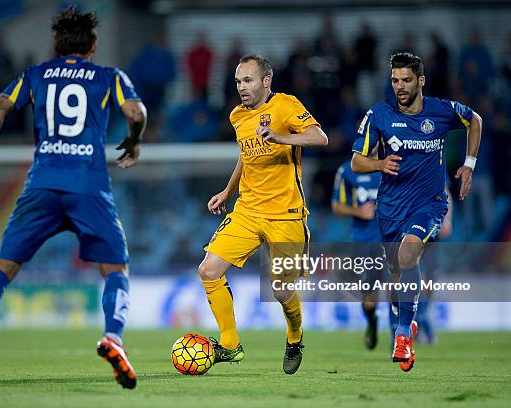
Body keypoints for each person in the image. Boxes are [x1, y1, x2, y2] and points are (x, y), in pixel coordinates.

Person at [0, 6, 147, 389]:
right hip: (88, 186)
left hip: (42, 184)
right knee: (115, 271)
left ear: (56, 44)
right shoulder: (109, 77)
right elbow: (137, 111)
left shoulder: (35, 75)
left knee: (3, 267)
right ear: (93, 46)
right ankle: (113, 337)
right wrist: (132, 141)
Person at [351, 52, 481, 372]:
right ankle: (406, 323)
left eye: (406, 80)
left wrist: (469, 164)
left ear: (420, 80)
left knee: (409, 255)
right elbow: (357, 160)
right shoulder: (378, 114)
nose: (399, 86)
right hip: (391, 208)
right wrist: (380, 163)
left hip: (430, 204)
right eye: (395, 80)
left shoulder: (441, 111)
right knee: (397, 277)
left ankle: (401, 334)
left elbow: (474, 120)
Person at [199, 55, 328, 374]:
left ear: (266, 81)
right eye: (238, 82)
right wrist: (228, 191)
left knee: (281, 290)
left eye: (248, 80)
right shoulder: (237, 116)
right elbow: (246, 156)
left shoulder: (286, 105)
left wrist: (282, 138)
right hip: (248, 210)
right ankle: (230, 345)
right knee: (209, 269)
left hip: (286, 214)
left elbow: (320, 137)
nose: (242, 87)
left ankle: (295, 336)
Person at [331, 159, 382, 350]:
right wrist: (357, 211)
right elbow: (336, 206)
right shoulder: (346, 170)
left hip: (392, 237)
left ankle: (399, 340)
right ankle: (372, 320)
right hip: (364, 241)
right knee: (370, 299)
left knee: (396, 289)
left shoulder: (392, 165)